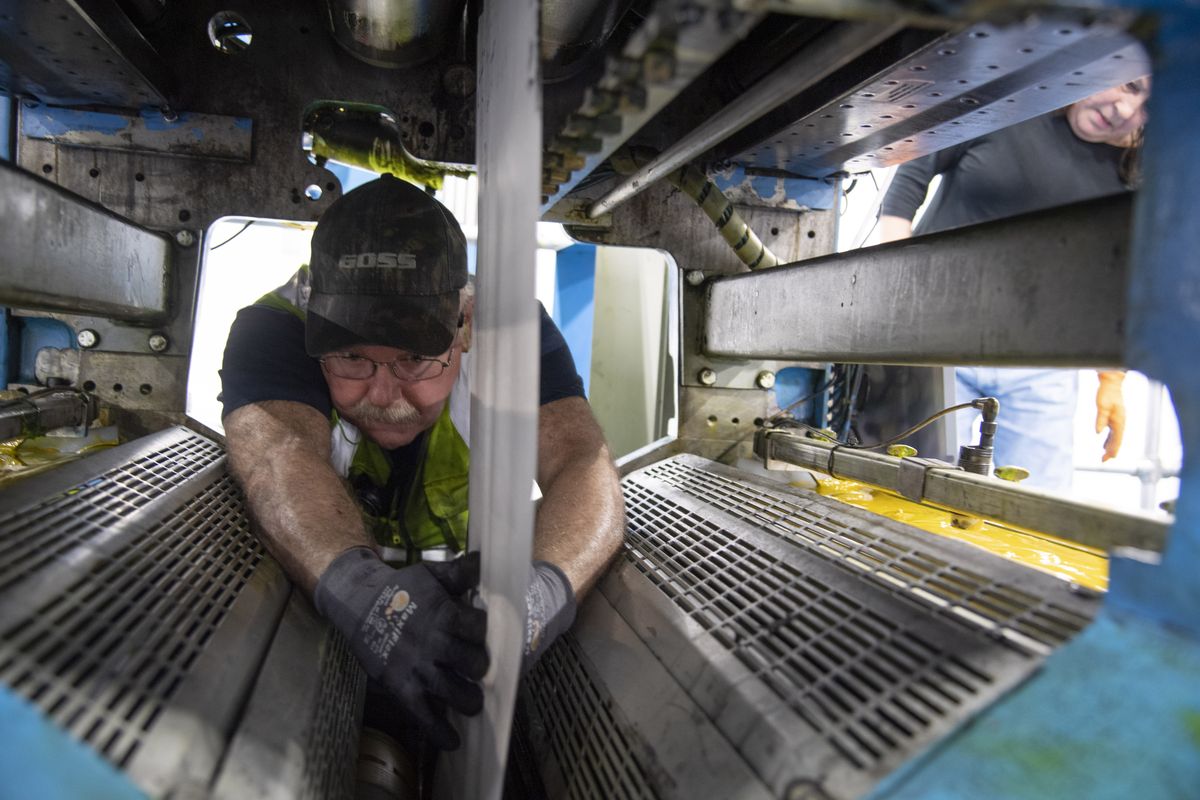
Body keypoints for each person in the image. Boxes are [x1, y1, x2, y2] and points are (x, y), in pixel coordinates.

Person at [219, 175, 626, 754]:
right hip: (325, 606)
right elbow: (276, 457)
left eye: (415, 359)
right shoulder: (274, 329)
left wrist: (541, 599)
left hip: (465, 614)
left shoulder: (508, 329)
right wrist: (367, 600)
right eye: (352, 358)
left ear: (464, 324)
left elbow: (582, 463)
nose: (385, 395)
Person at [878, 78, 1150, 490]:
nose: (1124, 111)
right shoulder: (1011, 106)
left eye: (1149, 106)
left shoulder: (1136, 175)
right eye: (1129, 86)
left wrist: (1111, 376)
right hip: (938, 342)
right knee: (909, 486)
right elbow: (908, 183)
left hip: (1044, 362)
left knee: (1034, 503)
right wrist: (896, 285)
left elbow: (1116, 275)